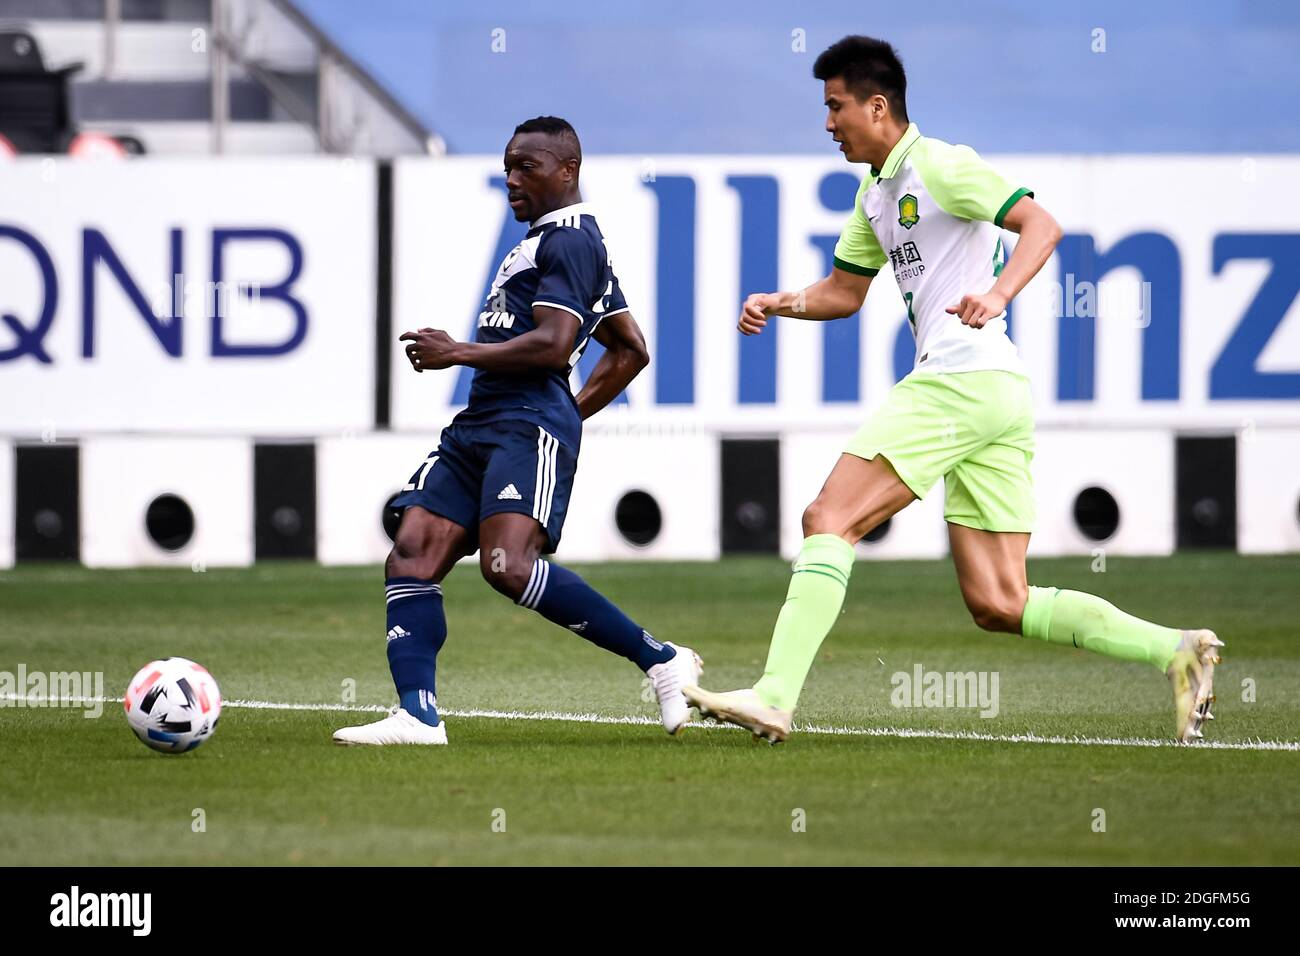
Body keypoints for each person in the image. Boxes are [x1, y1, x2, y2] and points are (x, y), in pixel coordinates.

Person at [684, 36, 1219, 744]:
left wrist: (998, 292)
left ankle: (775, 695)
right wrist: (779, 302)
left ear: (878, 106)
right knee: (1000, 600)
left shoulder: (939, 164)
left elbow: (1042, 225)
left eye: (836, 106)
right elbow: (844, 292)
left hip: (959, 377)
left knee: (828, 518)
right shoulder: (876, 192)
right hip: (994, 389)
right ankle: (1178, 651)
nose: (827, 123)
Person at [335, 117, 702, 745]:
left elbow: (556, 342)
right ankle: (418, 715)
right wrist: (571, 414)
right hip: (486, 420)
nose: (511, 179)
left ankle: (660, 659)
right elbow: (630, 349)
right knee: (413, 548)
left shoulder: (572, 241)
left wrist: (462, 356)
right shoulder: (552, 240)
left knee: (507, 565)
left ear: (567, 171)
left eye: (526, 167)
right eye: (507, 166)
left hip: (521, 421)